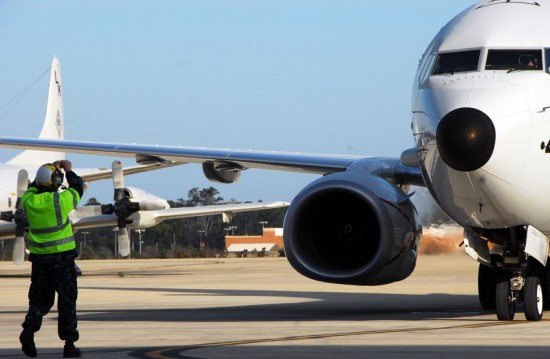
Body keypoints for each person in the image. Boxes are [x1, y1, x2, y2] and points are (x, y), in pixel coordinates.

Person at [19, 160, 84, 358]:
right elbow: (78, 188)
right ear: (55, 181)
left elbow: (31, 188)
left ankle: (28, 331)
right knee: (67, 301)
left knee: (39, 300)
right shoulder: (59, 201)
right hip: (62, 259)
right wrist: (68, 169)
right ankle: (69, 345)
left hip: (39, 261)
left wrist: (43, 176)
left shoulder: (28, 202)